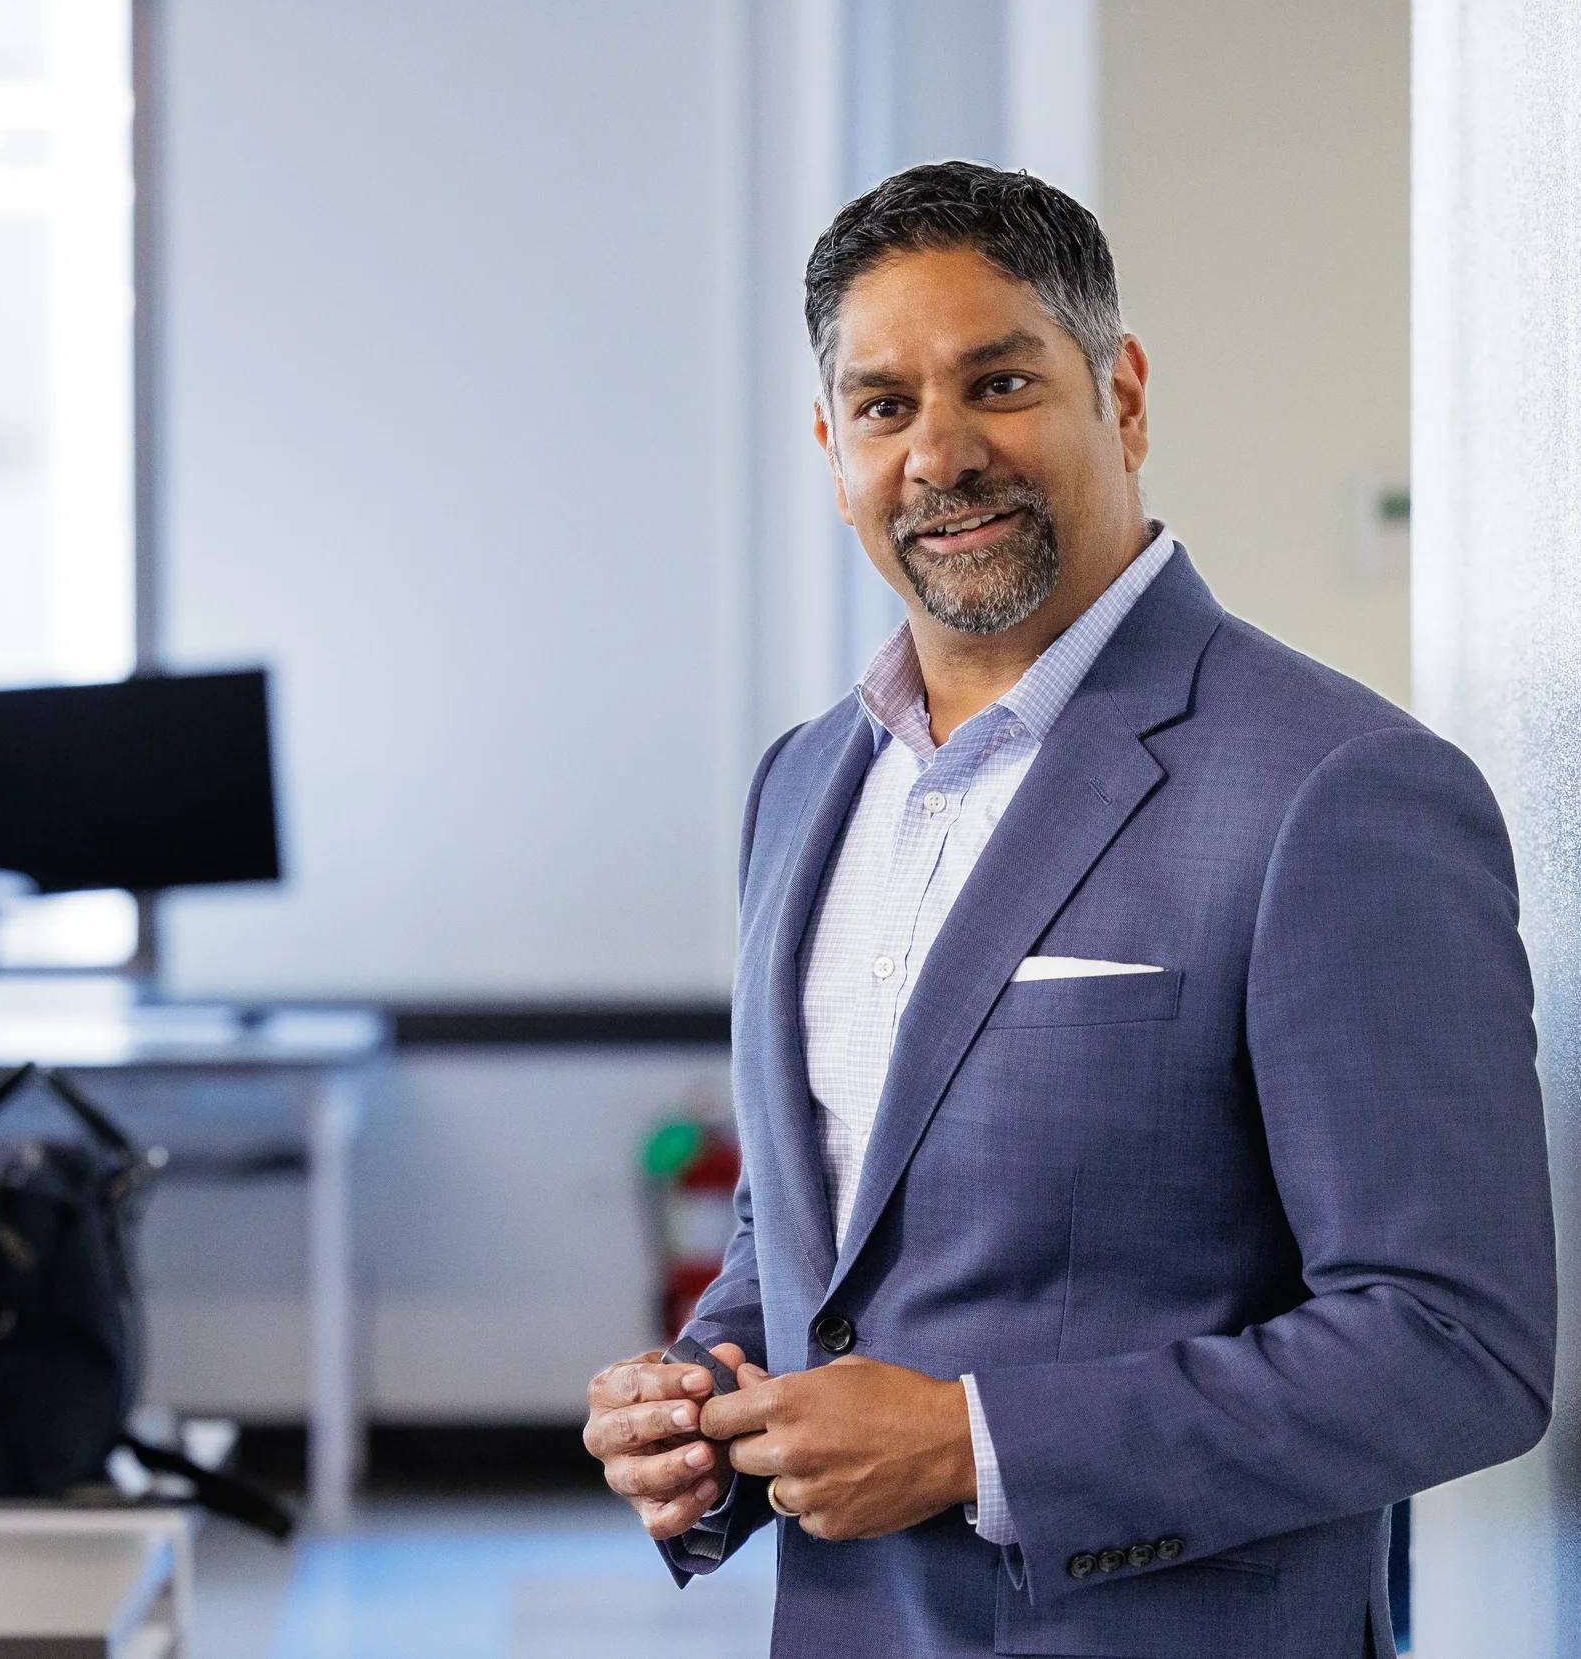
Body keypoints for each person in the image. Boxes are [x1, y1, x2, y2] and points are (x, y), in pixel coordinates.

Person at [581, 161, 1552, 1658]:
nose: (942, 453)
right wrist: (706, 1399)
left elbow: (1453, 1345)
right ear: (834, 445)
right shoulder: (801, 785)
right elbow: (807, 1242)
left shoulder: (1341, 789)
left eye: (1002, 381)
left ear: (1126, 394)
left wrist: (979, 1444)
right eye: (888, 404)